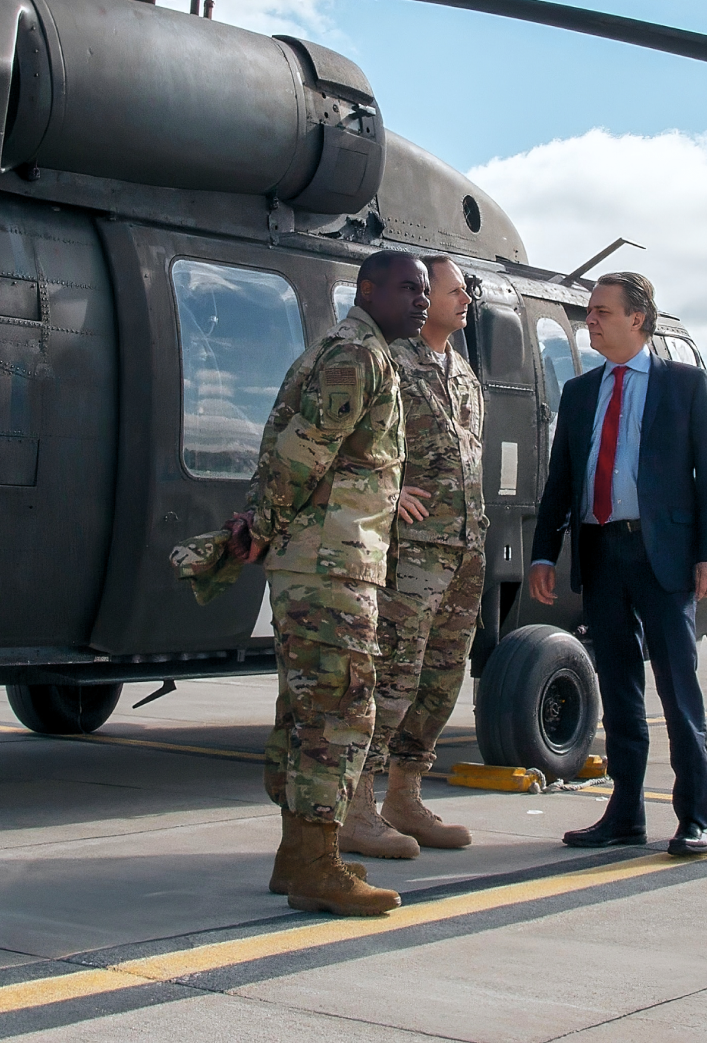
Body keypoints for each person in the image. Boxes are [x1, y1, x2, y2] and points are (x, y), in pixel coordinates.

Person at [233, 250, 429, 916]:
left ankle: (296, 857)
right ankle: (320, 865)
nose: (421, 301)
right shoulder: (359, 354)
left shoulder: (352, 349)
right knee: (339, 709)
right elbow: (303, 448)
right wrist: (259, 524)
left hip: (319, 557)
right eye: (408, 288)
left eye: (426, 291)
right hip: (330, 561)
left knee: (306, 709)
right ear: (367, 290)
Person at [528, 271, 707, 855]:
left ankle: (695, 816)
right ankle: (625, 814)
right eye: (590, 311)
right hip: (601, 551)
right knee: (618, 690)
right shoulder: (580, 393)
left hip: (662, 555)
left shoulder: (686, 385)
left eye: (601, 312)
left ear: (637, 319)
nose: (590, 319)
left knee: (677, 687)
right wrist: (545, 550)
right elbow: (560, 481)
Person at [339, 255, 485, 859]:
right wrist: (387, 490)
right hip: (411, 554)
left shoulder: (464, 373)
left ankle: (405, 796)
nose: (462, 301)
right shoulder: (389, 363)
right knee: (393, 679)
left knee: (439, 682)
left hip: (464, 549)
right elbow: (342, 439)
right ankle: (357, 808)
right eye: (454, 291)